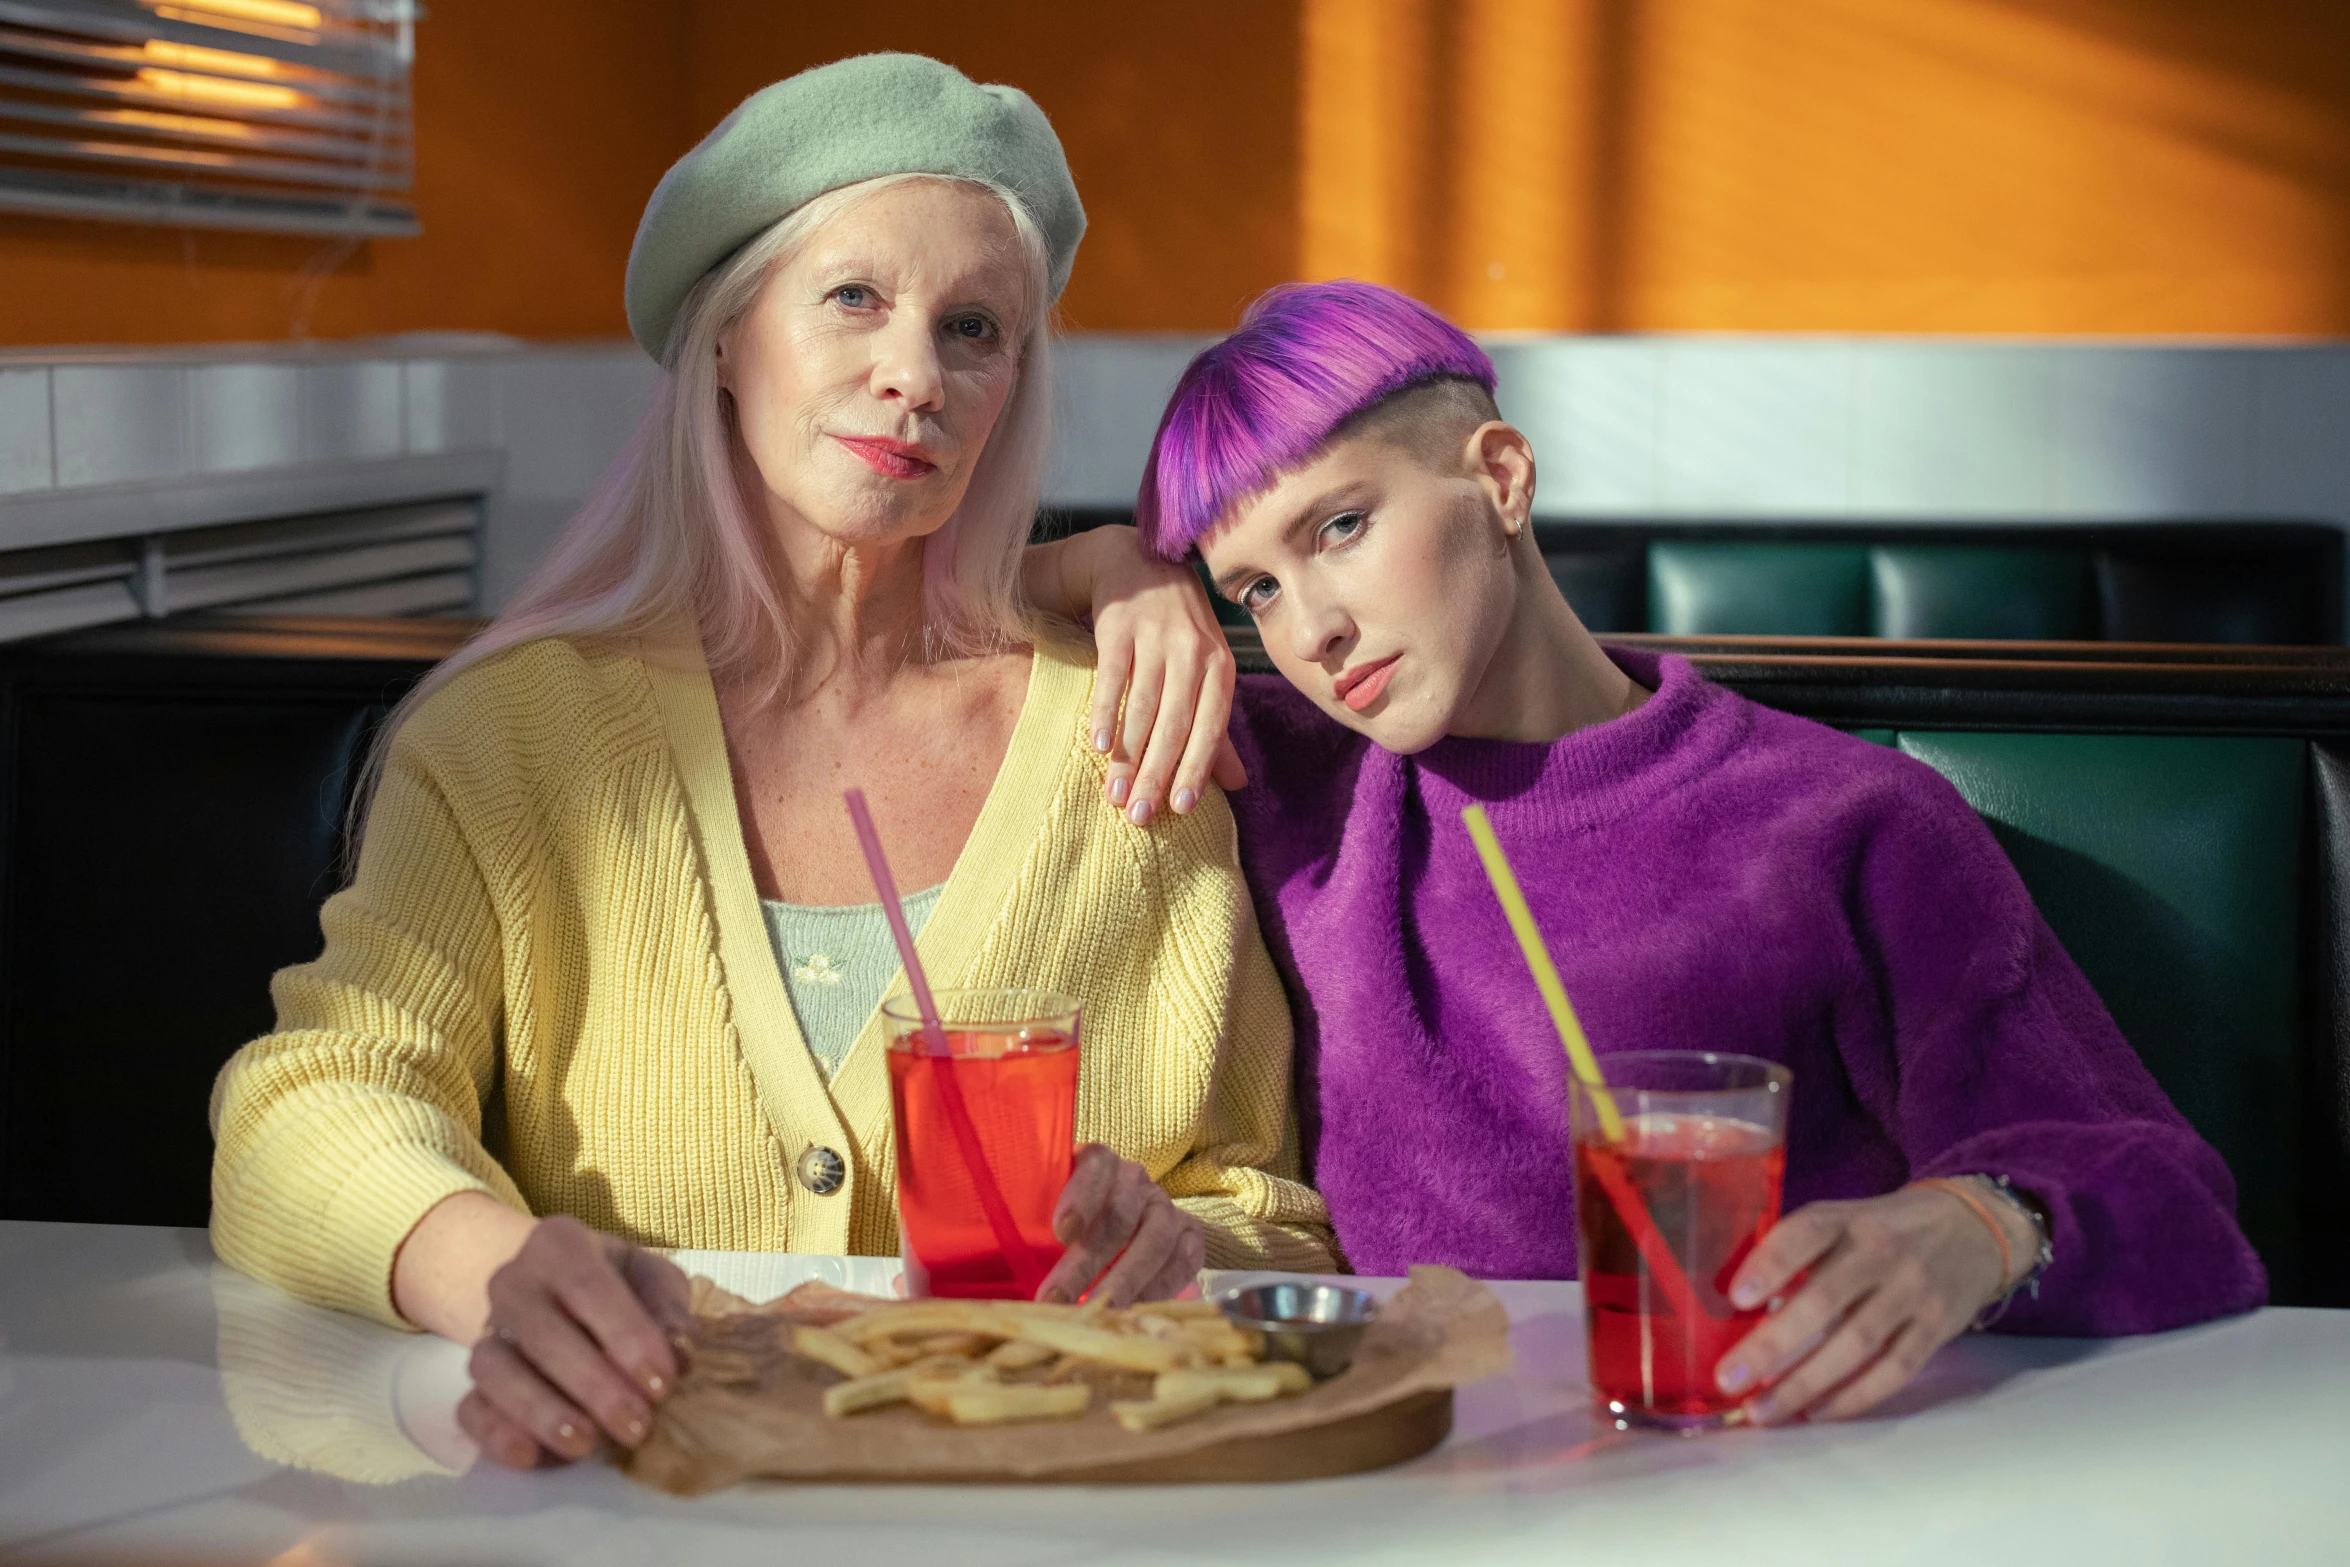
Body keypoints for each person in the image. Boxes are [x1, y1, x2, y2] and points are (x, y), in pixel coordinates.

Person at [208, 54, 1332, 1473]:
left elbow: (1262, 1199)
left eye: (972, 326)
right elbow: (307, 1103)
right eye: (853, 296)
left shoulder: (1130, 734)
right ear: (730, 333)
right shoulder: (509, 741)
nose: (915, 372)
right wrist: (492, 1266)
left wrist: (1186, 1254)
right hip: (612, 1499)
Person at [1121, 279, 2265, 1425]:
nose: (1310, 628)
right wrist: (1101, 574)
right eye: (1255, 589)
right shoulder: (1265, 773)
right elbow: (946, 619)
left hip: (1757, 1461)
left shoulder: (1842, 821)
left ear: (1503, 477)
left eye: (1342, 527)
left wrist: (1979, 1223)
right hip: (1403, 1480)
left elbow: (2173, 1205)